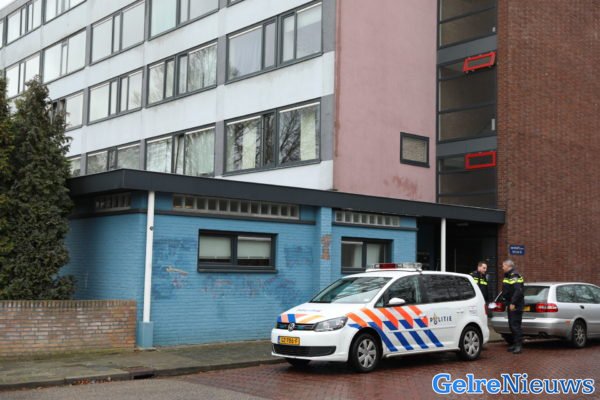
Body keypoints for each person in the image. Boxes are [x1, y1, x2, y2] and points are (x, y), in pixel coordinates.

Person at [501, 259, 525, 354]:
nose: (502, 268)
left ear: (508, 266)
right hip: (510, 303)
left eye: (503, 266)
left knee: (515, 325)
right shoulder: (508, 275)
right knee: (512, 325)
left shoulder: (514, 275)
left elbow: (518, 291)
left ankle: (518, 345)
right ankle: (515, 344)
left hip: (515, 304)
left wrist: (513, 303)